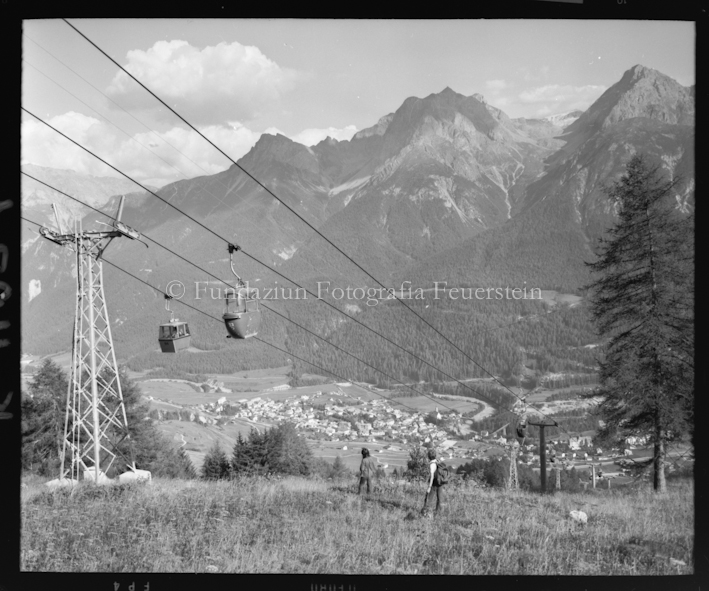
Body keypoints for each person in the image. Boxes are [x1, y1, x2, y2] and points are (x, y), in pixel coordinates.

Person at [422, 448, 444, 515]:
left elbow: (432, 477)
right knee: (439, 498)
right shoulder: (438, 461)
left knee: (429, 498)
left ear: (428, 456)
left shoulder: (432, 464)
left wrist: (429, 486)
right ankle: (438, 513)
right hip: (440, 482)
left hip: (434, 483)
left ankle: (426, 512)